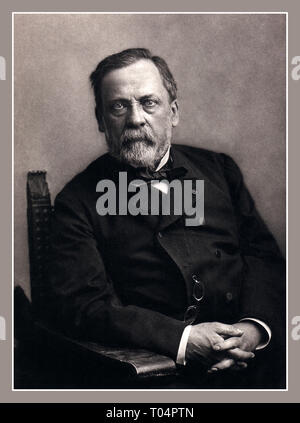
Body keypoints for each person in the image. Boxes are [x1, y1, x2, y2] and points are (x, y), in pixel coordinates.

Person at [47, 48, 285, 388]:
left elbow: (264, 258)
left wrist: (254, 328)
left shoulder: (219, 170)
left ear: (172, 112)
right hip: (163, 371)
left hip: (256, 358)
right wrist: (184, 341)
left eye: (149, 102)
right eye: (118, 106)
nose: (135, 119)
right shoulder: (77, 201)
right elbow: (85, 306)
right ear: (100, 120)